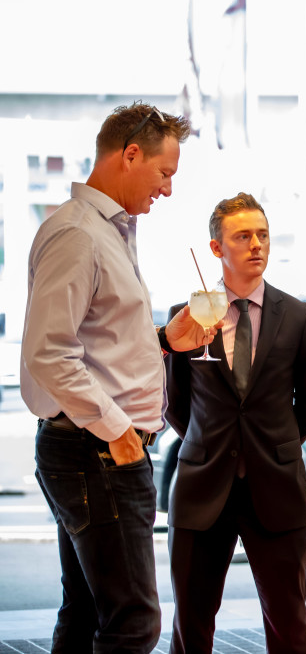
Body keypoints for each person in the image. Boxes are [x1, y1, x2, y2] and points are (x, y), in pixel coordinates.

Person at [21, 102, 210, 652]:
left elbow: (97, 342)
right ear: (130, 155)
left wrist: (164, 339)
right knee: (133, 623)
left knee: (86, 613)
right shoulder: (78, 234)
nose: (168, 190)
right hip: (97, 452)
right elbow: (49, 353)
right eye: (164, 173)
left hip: (96, 449)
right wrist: (119, 431)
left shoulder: (106, 231)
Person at [163, 192, 306, 654]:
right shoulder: (186, 316)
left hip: (276, 486)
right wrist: (209, 442)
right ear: (216, 248)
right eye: (243, 237)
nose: (257, 244)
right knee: (191, 623)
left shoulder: (299, 316)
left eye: (263, 235)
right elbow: (174, 402)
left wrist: (274, 444)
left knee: (289, 624)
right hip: (201, 485)